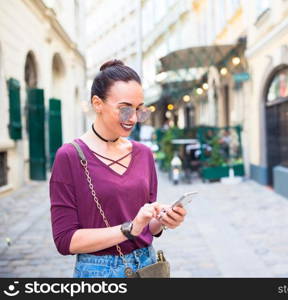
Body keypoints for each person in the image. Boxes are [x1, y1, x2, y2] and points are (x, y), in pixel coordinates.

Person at [49, 59, 187, 278]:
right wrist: (129, 228)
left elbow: (146, 227)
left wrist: (161, 220)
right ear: (97, 103)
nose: (133, 118)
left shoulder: (144, 154)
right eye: (124, 109)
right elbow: (65, 240)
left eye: (139, 110)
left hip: (148, 265)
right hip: (98, 273)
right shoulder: (70, 156)